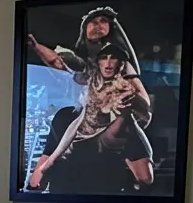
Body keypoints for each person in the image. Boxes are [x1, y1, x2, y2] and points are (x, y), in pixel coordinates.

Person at [29, 42, 153, 190]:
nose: (108, 63)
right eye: (104, 58)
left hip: (104, 193)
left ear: (121, 64)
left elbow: (145, 178)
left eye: (113, 59)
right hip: (66, 193)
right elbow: (59, 62)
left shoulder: (125, 91)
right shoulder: (67, 115)